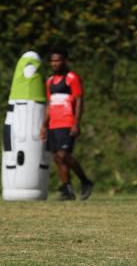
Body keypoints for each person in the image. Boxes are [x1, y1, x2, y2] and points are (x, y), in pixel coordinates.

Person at [40, 47, 94, 201]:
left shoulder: (72, 78)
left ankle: (86, 181)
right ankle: (67, 190)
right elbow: (50, 104)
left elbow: (78, 100)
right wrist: (44, 125)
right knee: (57, 157)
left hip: (67, 122)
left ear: (65, 61)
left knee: (64, 155)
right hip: (53, 124)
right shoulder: (50, 81)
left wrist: (76, 123)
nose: (55, 63)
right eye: (52, 61)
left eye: (58, 60)